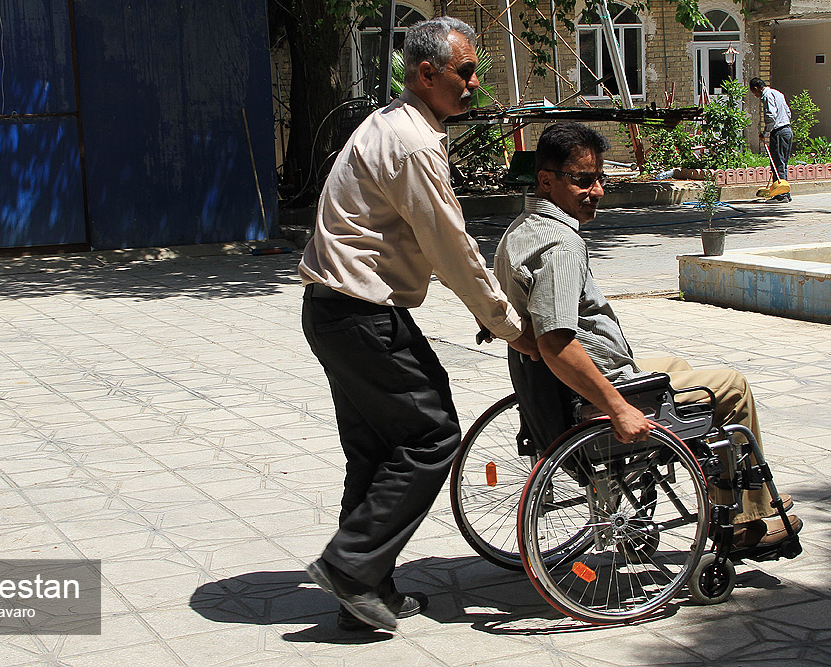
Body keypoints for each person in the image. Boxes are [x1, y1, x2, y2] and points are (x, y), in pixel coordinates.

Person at [298, 17, 538, 632]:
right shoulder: (413, 143)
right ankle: (352, 566)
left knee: (376, 450)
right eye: (465, 72)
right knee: (432, 437)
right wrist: (508, 324)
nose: (475, 83)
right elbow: (450, 246)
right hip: (361, 312)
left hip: (334, 310)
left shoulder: (395, 123)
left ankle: (365, 590)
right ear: (426, 74)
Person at [493, 121, 802, 551]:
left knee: (678, 367)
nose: (597, 190)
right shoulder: (560, 246)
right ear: (547, 180)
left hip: (555, 391)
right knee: (733, 387)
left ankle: (727, 493)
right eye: (584, 181)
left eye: (601, 178)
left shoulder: (520, 230)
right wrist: (618, 408)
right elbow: (555, 343)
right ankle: (747, 522)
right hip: (591, 399)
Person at [750, 78, 793, 203]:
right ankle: (785, 191)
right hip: (787, 130)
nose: (756, 96)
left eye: (754, 93)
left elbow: (771, 116)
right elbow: (788, 112)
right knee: (782, 163)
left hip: (779, 132)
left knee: (777, 163)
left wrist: (765, 132)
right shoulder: (778, 93)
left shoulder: (767, 95)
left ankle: (781, 195)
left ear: (756, 88)